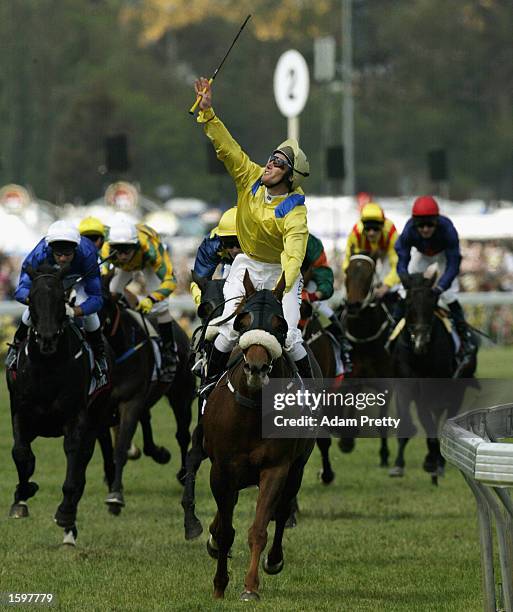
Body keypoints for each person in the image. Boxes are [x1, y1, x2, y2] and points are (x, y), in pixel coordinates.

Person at [194, 76, 312, 383]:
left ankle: (312, 399)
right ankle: (208, 392)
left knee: (290, 339)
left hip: (281, 276)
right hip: (246, 266)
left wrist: (279, 290)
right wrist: (208, 113)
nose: (270, 164)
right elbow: (228, 149)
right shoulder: (251, 178)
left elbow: (294, 256)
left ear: (290, 177)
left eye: (279, 163)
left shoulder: (295, 211)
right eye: (272, 158)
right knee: (225, 329)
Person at [6, 220, 109, 385]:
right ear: (50, 249)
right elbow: (21, 290)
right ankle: (15, 348)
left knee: (91, 315)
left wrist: (74, 311)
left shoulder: (88, 253)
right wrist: (39, 302)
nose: (62, 258)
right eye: (58, 254)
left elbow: (96, 297)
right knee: (29, 314)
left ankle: (99, 357)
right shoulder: (39, 254)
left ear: (76, 249)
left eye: (67, 254)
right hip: (48, 283)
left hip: (78, 279)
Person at [395, 195, 475, 359]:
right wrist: (404, 276)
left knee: (447, 294)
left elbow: (453, 263)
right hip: (421, 256)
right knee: (404, 292)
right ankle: (393, 330)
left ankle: (464, 335)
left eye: (429, 224)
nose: (425, 229)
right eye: (421, 225)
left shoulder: (448, 230)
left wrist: (440, 287)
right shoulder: (409, 229)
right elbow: (402, 257)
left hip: (443, 257)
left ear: (437, 221)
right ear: (414, 223)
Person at [102, 219, 179, 383]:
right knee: (111, 293)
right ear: (110, 246)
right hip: (127, 268)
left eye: (126, 250)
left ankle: (169, 352)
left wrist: (151, 299)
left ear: (136, 245)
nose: (121, 255)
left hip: (147, 263)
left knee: (161, 305)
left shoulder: (151, 249)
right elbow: (102, 280)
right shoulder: (106, 250)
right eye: (117, 250)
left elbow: (171, 281)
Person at [302, 233, 352, 372]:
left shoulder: (311, 243)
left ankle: (343, 348)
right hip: (281, 286)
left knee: (324, 312)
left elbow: (324, 275)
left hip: (307, 285)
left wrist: (318, 294)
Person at [343, 202, 400, 302]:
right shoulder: (356, 233)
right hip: (365, 254)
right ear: (362, 226)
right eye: (368, 228)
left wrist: (387, 285)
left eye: (376, 228)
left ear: (383, 226)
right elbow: (348, 263)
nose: (371, 233)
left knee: (387, 278)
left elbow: (396, 265)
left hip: (385, 253)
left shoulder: (391, 232)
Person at [190, 206, 242, 308]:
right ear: (221, 240)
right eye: (229, 244)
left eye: (239, 243)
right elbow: (200, 282)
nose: (235, 250)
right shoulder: (212, 243)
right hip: (228, 266)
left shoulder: (261, 241)